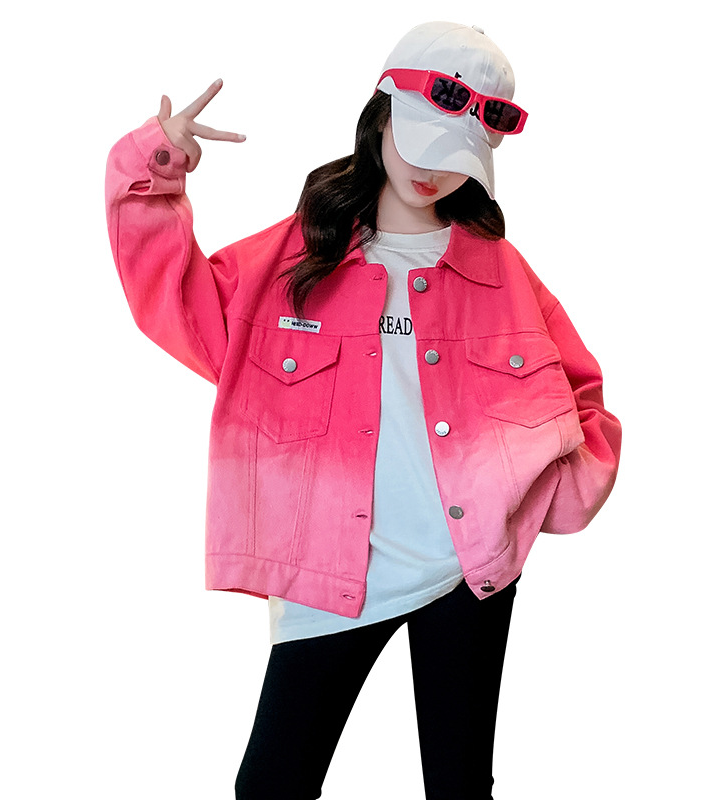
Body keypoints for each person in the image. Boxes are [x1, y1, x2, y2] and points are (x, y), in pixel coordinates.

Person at [105, 20, 621, 800]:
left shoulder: (501, 271)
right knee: (272, 785)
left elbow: (581, 396)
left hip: (470, 569)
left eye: (456, 156)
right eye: (423, 142)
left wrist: (546, 495)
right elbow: (174, 301)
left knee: (459, 787)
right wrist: (157, 165)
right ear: (381, 113)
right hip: (328, 571)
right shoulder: (293, 260)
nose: (434, 171)